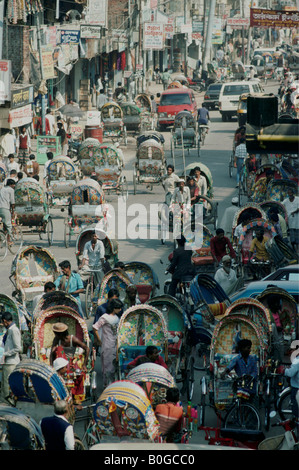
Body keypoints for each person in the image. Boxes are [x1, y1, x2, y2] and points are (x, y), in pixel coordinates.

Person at [50, 322, 90, 403]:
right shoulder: (57, 339)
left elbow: (87, 348)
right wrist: (51, 366)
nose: (55, 335)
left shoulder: (73, 339)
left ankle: (77, 396)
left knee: (80, 374)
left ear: (60, 334)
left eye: (56, 334)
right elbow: (52, 352)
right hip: (61, 361)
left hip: (72, 362)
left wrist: (84, 364)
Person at [92, 298, 123, 387]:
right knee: (108, 365)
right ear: (114, 308)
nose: (120, 310)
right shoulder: (105, 317)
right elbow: (95, 328)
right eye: (119, 308)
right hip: (107, 344)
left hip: (115, 343)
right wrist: (99, 340)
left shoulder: (116, 318)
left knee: (114, 365)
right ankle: (107, 384)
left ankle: (112, 384)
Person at [0, 312, 22, 403]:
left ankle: (9, 404)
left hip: (11, 362)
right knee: (5, 386)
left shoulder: (14, 330)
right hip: (8, 361)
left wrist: (5, 353)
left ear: (5, 321)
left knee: (7, 387)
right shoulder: (10, 330)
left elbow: (18, 348)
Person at [283, 342, 299, 421]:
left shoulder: (297, 360)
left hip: (296, 387)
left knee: (296, 409)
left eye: (292, 350)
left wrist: (284, 370)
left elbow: (291, 373)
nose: (290, 352)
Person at [0, 179, 16, 244]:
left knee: (4, 224)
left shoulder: (2, 189)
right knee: (8, 224)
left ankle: (3, 237)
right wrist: (13, 211)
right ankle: (10, 239)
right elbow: (12, 202)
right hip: (5, 208)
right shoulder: (11, 190)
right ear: (11, 185)